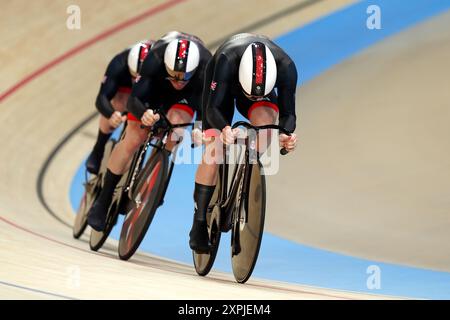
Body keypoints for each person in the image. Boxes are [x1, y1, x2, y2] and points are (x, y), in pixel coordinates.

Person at [87, 31, 212, 232]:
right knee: (134, 137)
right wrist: (143, 113)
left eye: (183, 78)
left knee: (176, 129)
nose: (178, 82)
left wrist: (199, 128)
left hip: (189, 95)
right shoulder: (155, 58)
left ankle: (155, 174)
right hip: (157, 88)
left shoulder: (207, 67)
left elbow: (206, 106)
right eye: (175, 77)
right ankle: (103, 199)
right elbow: (133, 100)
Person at [189, 33, 298, 253]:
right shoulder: (226, 61)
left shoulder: (286, 67)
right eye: (251, 95)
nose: (254, 99)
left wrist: (286, 135)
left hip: (260, 86)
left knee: (267, 125)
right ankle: (199, 221)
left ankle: (247, 172)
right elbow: (213, 108)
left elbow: (289, 114)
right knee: (215, 148)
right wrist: (225, 130)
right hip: (223, 88)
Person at [86, 40, 154, 175]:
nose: (137, 82)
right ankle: (99, 148)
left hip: (150, 86)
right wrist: (111, 114)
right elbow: (102, 98)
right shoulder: (119, 63)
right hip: (125, 89)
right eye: (134, 77)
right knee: (119, 102)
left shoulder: (157, 66)